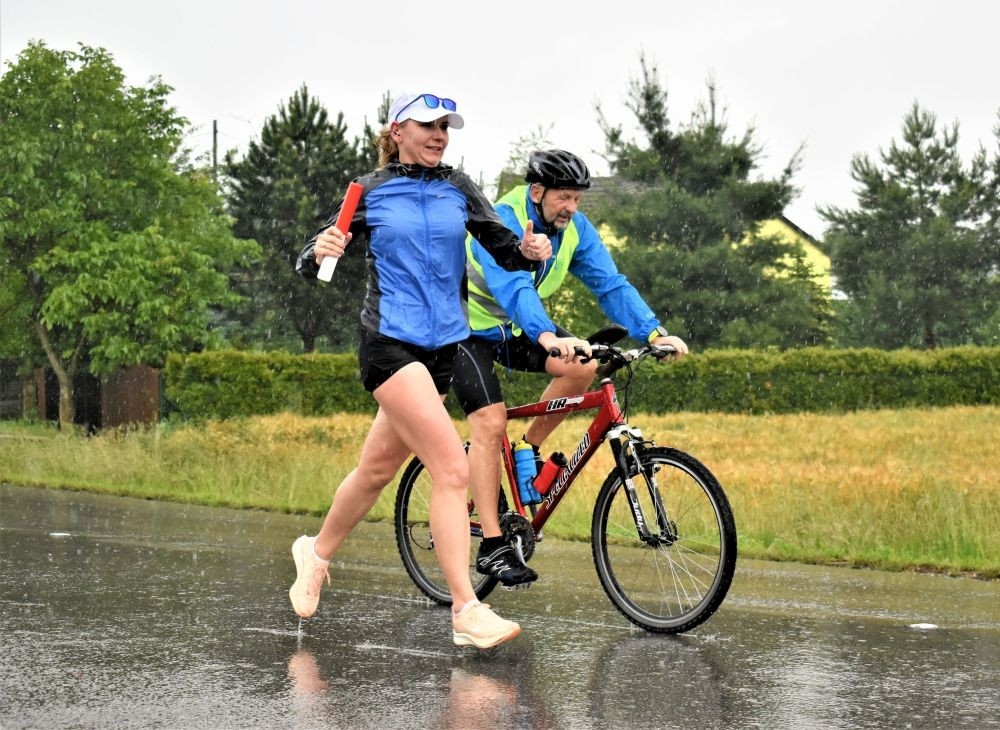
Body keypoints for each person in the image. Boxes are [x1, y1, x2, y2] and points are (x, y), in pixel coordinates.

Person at [289, 92, 552, 650]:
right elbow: (313, 263)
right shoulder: (369, 190)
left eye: (445, 128)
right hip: (388, 345)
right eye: (428, 125)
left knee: (375, 471)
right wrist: (319, 250)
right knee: (452, 469)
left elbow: (504, 250)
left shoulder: (459, 188)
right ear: (398, 131)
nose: (439, 135)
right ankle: (466, 608)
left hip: (442, 352)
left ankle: (315, 552)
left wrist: (531, 252)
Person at [451, 149, 689, 587]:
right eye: (564, 197)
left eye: (577, 198)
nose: (572, 208)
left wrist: (654, 333)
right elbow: (515, 288)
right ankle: (493, 543)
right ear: (536, 192)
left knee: (582, 367)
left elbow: (610, 284)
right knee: (490, 422)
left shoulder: (574, 229)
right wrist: (547, 336)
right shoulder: (502, 218)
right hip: (465, 329)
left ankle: (525, 449)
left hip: (517, 328)